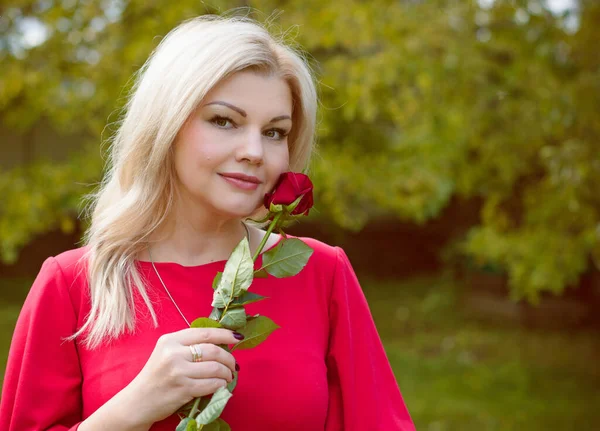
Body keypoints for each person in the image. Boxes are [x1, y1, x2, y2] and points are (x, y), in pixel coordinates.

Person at [0, 15, 415, 431]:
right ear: (167, 126)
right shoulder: (72, 284)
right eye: (224, 121)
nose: (254, 150)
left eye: (274, 132)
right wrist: (131, 408)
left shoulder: (320, 273)